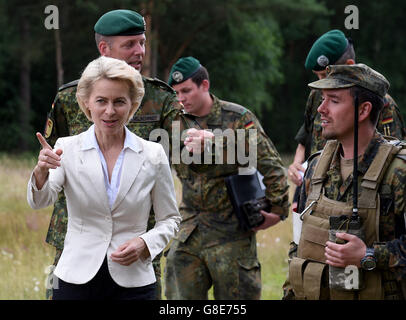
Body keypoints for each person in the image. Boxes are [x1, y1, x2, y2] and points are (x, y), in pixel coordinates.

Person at [42, 9, 189, 299]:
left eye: (142, 43)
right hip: (77, 242)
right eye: (130, 44)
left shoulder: (160, 98)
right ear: (104, 49)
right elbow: (51, 158)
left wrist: (202, 147)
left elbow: (186, 158)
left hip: (135, 244)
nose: (140, 52)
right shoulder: (69, 98)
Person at [164, 57, 290, 300]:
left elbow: (271, 165)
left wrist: (277, 210)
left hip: (231, 233)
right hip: (190, 230)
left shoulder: (238, 117)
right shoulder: (174, 122)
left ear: (205, 85)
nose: (181, 98)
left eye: (187, 91)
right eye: (177, 93)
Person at [284, 63, 406, 300]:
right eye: (322, 99)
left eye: (334, 100)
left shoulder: (398, 171)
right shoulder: (315, 168)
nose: (321, 109)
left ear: (363, 110)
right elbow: (298, 248)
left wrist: (368, 255)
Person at [288, 29, 406, 211]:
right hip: (320, 187)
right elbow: (305, 140)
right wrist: (298, 169)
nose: (322, 107)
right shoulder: (315, 97)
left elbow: (392, 151)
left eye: (325, 75)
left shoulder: (380, 103)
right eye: (317, 77)